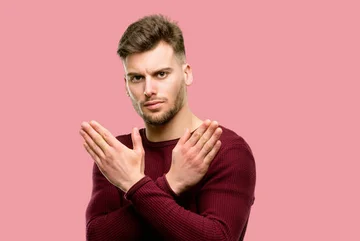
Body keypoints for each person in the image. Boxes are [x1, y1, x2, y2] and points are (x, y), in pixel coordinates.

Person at [79, 14, 256, 241]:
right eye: (136, 78)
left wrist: (134, 185)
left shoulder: (224, 148)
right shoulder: (117, 153)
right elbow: (97, 236)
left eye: (161, 74)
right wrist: (170, 183)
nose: (148, 89)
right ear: (126, 85)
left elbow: (217, 237)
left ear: (187, 73)